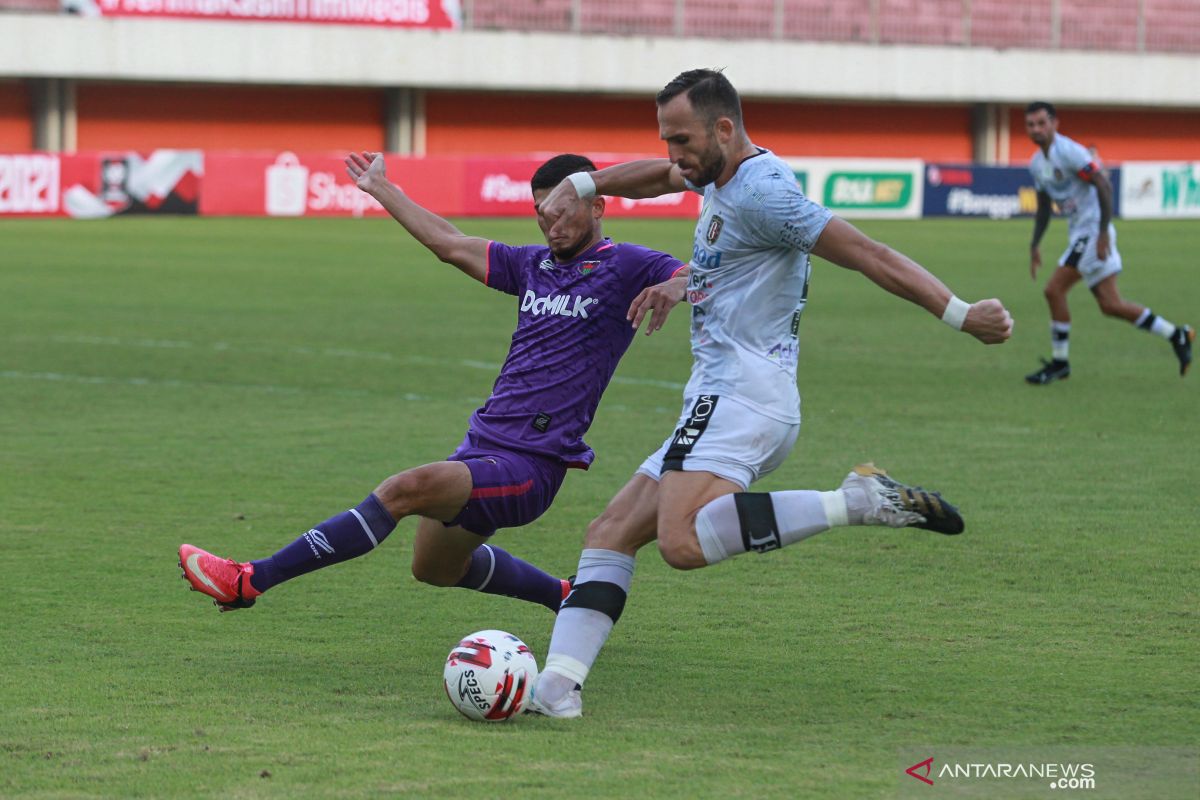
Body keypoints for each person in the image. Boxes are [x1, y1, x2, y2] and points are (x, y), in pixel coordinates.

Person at [525, 69, 1014, 718]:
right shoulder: (717, 173)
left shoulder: (764, 195)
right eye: (667, 139)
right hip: (719, 396)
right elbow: (659, 180)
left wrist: (960, 312)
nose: (674, 155)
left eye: (682, 140)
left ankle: (857, 502)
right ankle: (557, 689)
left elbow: (868, 252)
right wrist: (587, 183)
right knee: (611, 532)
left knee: (682, 542)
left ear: (724, 129)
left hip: (745, 396)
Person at [178, 153, 688, 614]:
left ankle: (249, 580)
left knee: (405, 489)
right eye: (540, 210)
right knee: (435, 568)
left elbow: (703, 273)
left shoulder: (627, 266)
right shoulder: (530, 266)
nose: (549, 222)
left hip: (534, 462)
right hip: (482, 444)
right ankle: (565, 596)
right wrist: (382, 189)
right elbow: (448, 243)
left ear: (598, 206)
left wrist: (676, 283)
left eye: (561, 209)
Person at [1024, 101, 1193, 384]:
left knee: (1054, 290)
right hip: (1080, 233)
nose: (1036, 129)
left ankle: (1060, 363)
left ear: (1055, 123)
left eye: (1042, 123)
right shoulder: (1036, 164)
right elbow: (1043, 207)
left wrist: (1102, 233)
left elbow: (1103, 184)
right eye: (1031, 125)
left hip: (1092, 233)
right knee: (1111, 305)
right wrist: (1034, 244)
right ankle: (1177, 334)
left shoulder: (1069, 152)